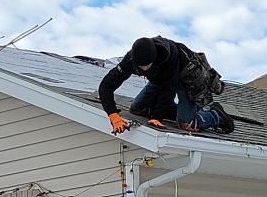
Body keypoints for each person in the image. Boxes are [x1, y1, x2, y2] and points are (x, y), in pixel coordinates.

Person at [98, 36, 233, 135]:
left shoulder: (168, 56)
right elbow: (106, 86)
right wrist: (113, 115)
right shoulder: (129, 61)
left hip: (186, 79)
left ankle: (216, 116)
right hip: (159, 79)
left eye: (146, 66)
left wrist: (156, 117)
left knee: (186, 124)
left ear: (154, 59)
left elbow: (168, 90)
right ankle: (188, 110)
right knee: (137, 108)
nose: (143, 69)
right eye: (140, 67)